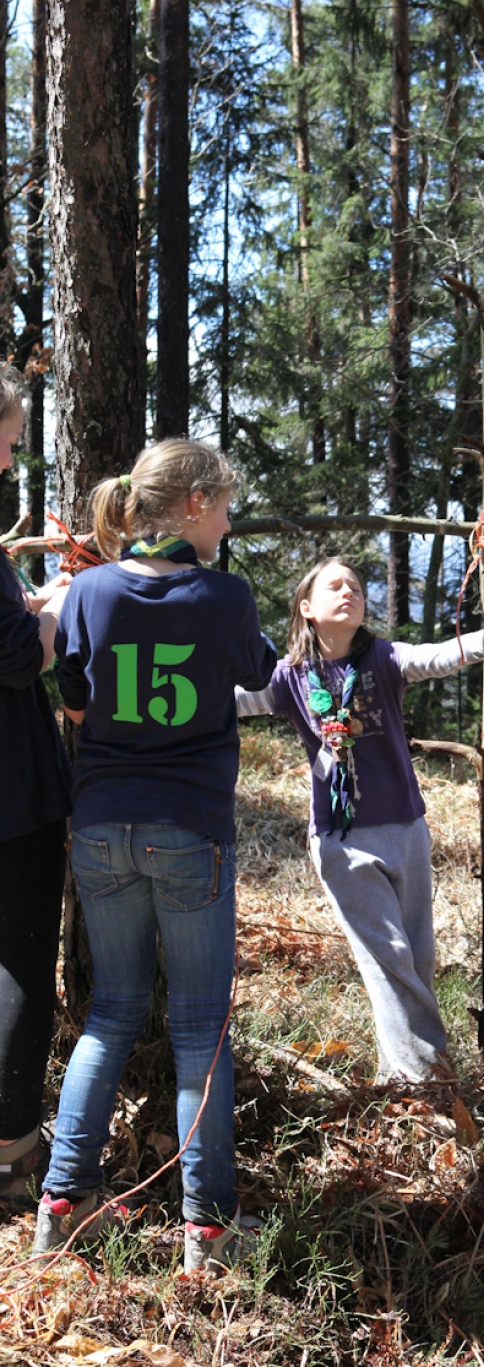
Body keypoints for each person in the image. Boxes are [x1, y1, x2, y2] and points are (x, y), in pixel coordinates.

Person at [33, 440, 276, 1275]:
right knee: (200, 1026)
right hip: (189, 826)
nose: (232, 521)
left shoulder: (91, 588)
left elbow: (69, 689)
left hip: (100, 824)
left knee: (110, 1014)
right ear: (198, 505)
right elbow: (261, 674)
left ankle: (63, 1201)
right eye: (227, 508)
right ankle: (208, 1227)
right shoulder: (225, 595)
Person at [238, 556, 484, 1082]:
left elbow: (442, 657)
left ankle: (401, 1075)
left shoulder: (386, 658)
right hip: (341, 839)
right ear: (307, 608)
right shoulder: (289, 678)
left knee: (415, 955)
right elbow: (227, 702)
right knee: (387, 957)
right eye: (335, 586)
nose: (350, 592)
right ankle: (430, 1078)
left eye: (357, 588)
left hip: (406, 827)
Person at [0, 365, 74, 1205]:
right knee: (19, 959)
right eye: (13, 436)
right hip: (12, 789)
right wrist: (56, 610)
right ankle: (15, 1144)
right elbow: (20, 659)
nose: (16, 455)